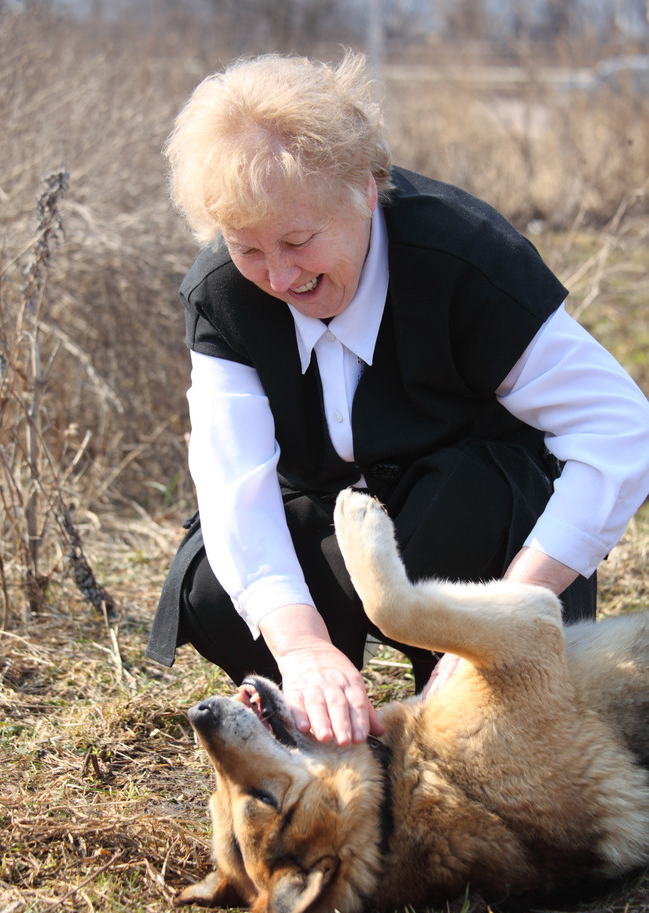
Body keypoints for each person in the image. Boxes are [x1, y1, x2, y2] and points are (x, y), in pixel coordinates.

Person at [147, 51, 649, 749]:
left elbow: (620, 430)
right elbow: (234, 483)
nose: (279, 275)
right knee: (210, 584)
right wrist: (301, 646)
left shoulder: (463, 257)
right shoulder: (222, 293)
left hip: (468, 530)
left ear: (364, 187)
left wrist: (500, 623)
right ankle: (321, 723)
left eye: (298, 239)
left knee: (466, 503)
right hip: (329, 523)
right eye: (247, 248)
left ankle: (477, 704)